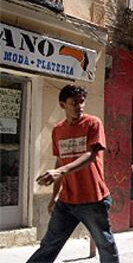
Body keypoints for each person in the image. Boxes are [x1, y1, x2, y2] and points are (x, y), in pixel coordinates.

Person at [27, 85, 119, 263]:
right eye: (74, 103)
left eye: (82, 102)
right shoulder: (57, 130)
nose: (79, 106)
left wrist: (59, 171)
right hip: (67, 200)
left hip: (93, 198)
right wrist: (54, 196)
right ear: (63, 105)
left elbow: (91, 155)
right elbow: (60, 161)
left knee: (105, 245)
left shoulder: (93, 123)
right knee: (49, 244)